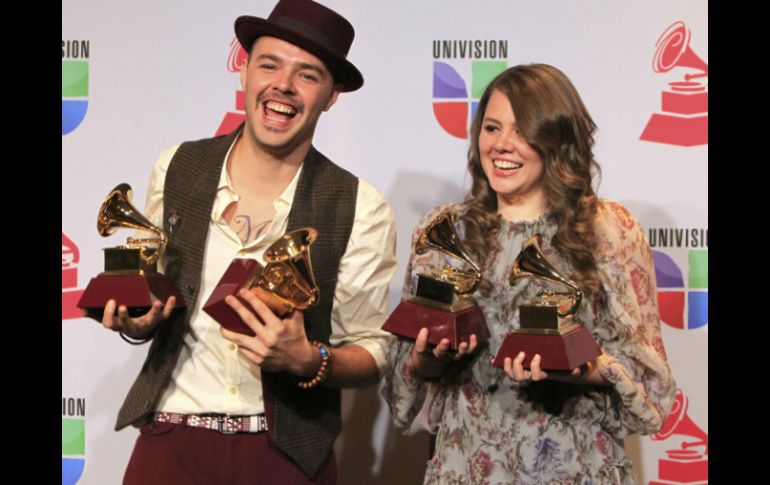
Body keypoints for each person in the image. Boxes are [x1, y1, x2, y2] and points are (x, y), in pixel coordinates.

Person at [99, 1, 397, 483]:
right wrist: (138, 320)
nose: (283, 84)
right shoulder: (178, 168)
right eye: (269, 64)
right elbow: (156, 295)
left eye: (308, 75)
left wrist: (309, 360)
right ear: (244, 71)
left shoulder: (360, 204)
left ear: (332, 95)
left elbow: (373, 351)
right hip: (172, 442)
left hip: (287, 455)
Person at [382, 64, 676, 484]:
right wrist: (426, 359)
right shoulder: (444, 229)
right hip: (468, 466)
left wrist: (578, 368)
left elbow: (649, 384)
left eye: (522, 131)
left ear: (557, 138)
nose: (502, 145)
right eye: (492, 128)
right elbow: (403, 390)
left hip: (576, 468)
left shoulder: (608, 229)